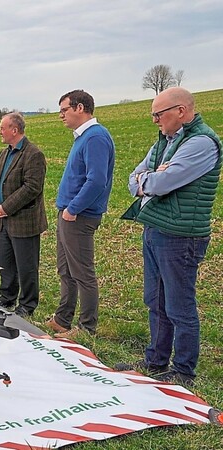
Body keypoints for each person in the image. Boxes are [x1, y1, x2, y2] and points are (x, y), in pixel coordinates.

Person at [115, 87, 221, 385]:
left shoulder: (201, 143)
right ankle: (156, 361)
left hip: (181, 235)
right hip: (156, 228)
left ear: (181, 112)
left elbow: (162, 183)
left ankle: (183, 370)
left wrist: (150, 179)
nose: (154, 121)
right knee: (155, 300)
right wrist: (149, 178)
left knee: (179, 305)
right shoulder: (166, 141)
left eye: (158, 114)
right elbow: (134, 178)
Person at [45, 90, 115, 339]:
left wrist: (73, 210)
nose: (61, 115)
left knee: (82, 273)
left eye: (64, 110)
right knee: (66, 270)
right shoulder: (82, 138)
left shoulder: (95, 137)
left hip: (79, 216)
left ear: (80, 107)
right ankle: (63, 319)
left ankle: (86, 328)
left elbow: (96, 181)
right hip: (68, 214)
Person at [0, 113, 47, 317]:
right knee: (6, 263)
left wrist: (6, 207)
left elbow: (32, 187)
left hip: (24, 221)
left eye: (2, 128)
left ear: (14, 130)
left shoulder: (33, 154)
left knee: (26, 265)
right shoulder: (4, 154)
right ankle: (6, 298)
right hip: (3, 222)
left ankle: (28, 304)